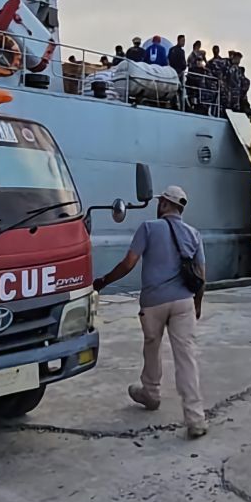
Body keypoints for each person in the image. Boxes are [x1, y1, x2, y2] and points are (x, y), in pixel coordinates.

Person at [93, 186, 208, 438]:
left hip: (153, 303)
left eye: (161, 202)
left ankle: (151, 393)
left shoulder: (149, 228)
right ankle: (195, 419)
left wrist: (103, 281)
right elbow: (201, 275)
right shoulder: (194, 234)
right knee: (186, 358)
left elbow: (128, 263)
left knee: (152, 346)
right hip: (184, 303)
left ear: (165, 204)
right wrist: (197, 304)